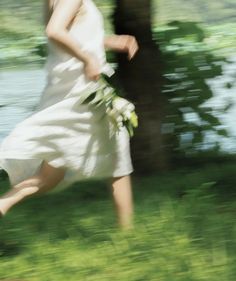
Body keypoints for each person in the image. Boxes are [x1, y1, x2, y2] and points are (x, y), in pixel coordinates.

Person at [0, 0, 139, 229]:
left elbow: (71, 36)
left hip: (70, 88)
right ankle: (129, 235)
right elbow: (54, 31)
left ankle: (3, 203)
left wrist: (109, 42)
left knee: (51, 174)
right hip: (83, 90)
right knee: (118, 154)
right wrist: (88, 60)